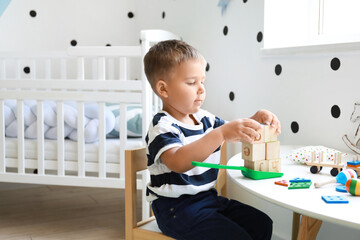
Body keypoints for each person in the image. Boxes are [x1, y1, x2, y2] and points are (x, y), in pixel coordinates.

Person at [143, 39, 281, 240]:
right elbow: (178, 162)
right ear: (163, 89)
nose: (201, 89)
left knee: (261, 223)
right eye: (191, 83)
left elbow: (232, 131)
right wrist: (221, 134)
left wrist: (256, 119)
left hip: (207, 199)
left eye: (202, 82)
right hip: (175, 209)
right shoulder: (162, 126)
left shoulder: (204, 118)